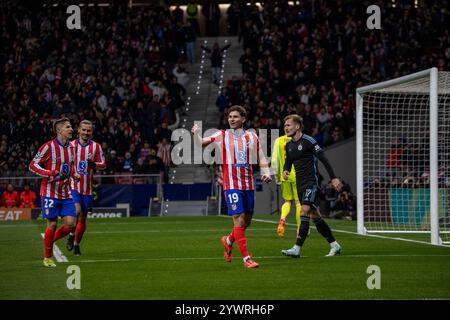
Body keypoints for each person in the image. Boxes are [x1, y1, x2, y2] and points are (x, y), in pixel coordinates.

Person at [191, 105, 272, 268]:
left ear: (243, 119)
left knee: (246, 222)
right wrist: (196, 134)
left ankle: (227, 241)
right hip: (231, 185)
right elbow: (201, 144)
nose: (232, 119)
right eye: (230, 117)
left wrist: (266, 172)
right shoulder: (222, 135)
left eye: (235, 117)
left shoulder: (252, 137)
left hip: (248, 185)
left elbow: (261, 157)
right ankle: (246, 259)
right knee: (239, 220)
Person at [281, 114, 343, 258]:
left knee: (304, 211)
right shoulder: (289, 145)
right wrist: (285, 170)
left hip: (311, 183)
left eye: (288, 125)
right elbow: (289, 161)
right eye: (285, 125)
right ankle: (335, 245)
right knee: (315, 216)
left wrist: (333, 178)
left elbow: (324, 159)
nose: (286, 127)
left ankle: (296, 248)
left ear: (297, 126)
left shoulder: (309, 141)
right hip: (300, 185)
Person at [29, 117, 78, 267]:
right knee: (52, 223)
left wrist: (73, 174)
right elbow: (33, 165)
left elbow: (70, 166)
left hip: (66, 192)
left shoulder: (71, 147)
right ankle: (47, 257)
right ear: (59, 130)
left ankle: (50, 239)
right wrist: (49, 172)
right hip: (49, 192)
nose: (71, 129)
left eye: (71, 127)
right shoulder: (48, 147)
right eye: (68, 127)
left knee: (71, 223)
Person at [67, 120, 106, 256]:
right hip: (73, 185)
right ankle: (71, 234)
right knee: (76, 211)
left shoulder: (96, 147)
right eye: (83, 130)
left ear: (91, 132)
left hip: (87, 189)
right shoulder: (70, 145)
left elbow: (103, 164)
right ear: (78, 130)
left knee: (83, 219)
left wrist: (94, 164)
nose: (86, 132)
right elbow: (65, 162)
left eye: (88, 130)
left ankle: (77, 244)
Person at [271, 133, 301, 237]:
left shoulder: (279, 140)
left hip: (285, 174)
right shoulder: (299, 139)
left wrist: (277, 177)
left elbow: (274, 161)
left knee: (287, 201)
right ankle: (299, 230)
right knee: (298, 203)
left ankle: (282, 220)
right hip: (298, 174)